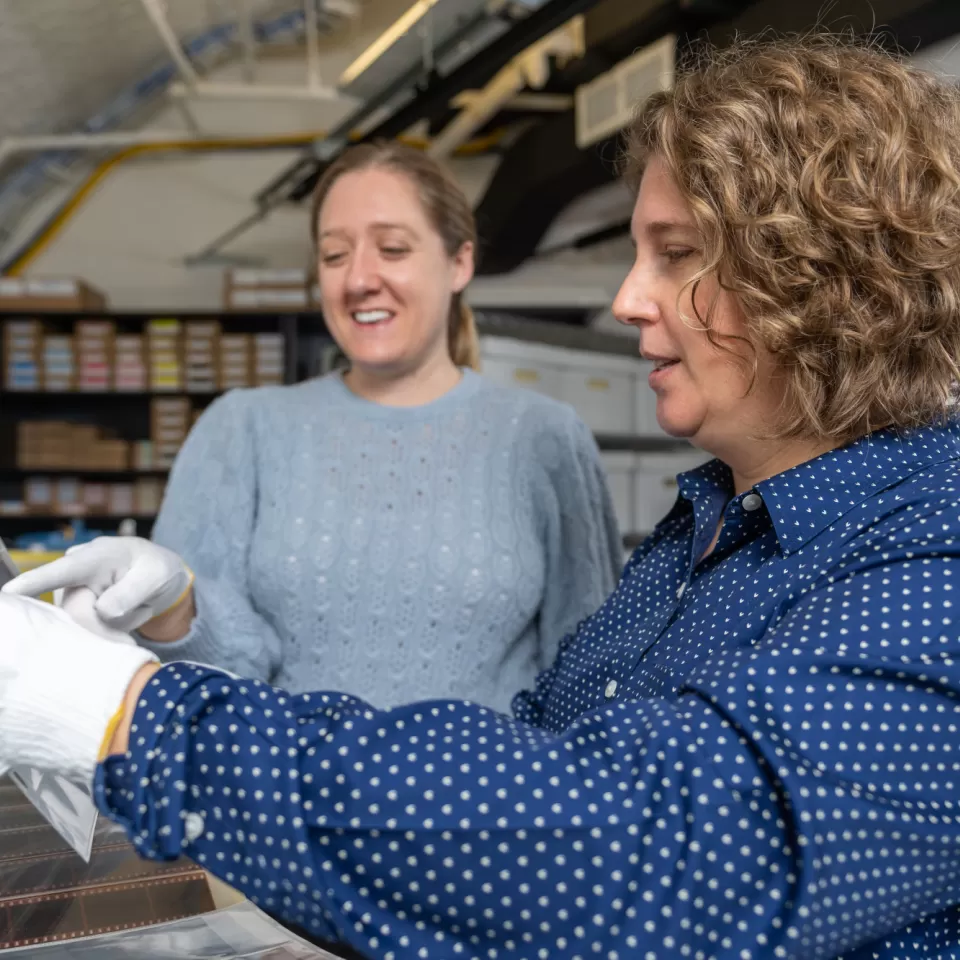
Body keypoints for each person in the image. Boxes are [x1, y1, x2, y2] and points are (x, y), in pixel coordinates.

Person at [5, 32, 960, 960]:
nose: (628, 300)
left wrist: (132, 715)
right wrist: (360, 909)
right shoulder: (704, 530)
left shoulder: (932, 567)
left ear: (825, 273)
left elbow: (642, 858)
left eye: (675, 253)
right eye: (335, 253)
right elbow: (545, 757)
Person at [10, 141, 622, 715]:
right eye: (334, 254)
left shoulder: (544, 436)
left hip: (486, 818)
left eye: (393, 248)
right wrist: (173, 609)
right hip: (286, 813)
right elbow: (205, 686)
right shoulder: (242, 429)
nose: (358, 279)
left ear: (459, 261)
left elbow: (589, 677)